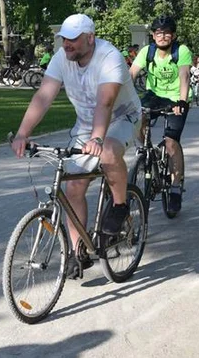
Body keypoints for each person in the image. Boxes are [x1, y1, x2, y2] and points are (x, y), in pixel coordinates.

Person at [11, 14, 141, 278]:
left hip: (123, 117)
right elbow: (44, 95)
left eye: (73, 39)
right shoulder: (61, 58)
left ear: (90, 38)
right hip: (85, 124)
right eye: (63, 39)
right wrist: (23, 133)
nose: (66, 44)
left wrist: (97, 138)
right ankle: (76, 251)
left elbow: (105, 103)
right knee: (73, 187)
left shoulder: (109, 57)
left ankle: (119, 205)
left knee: (107, 152)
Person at [128, 15, 191, 216]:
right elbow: (130, 75)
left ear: (173, 35)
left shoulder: (181, 51)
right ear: (153, 35)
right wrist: (121, 97)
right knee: (137, 122)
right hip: (154, 95)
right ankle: (150, 152)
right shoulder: (147, 51)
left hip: (175, 98)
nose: (162, 36)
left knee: (171, 142)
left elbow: (184, 77)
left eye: (166, 33)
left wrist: (181, 101)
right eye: (158, 33)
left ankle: (175, 188)